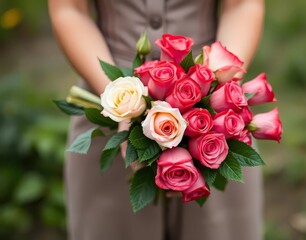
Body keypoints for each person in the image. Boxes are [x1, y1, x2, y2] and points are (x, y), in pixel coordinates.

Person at [48, 0, 265, 239]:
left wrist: (213, 86)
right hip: (105, 95)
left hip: (213, 112)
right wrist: (119, 100)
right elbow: (69, 9)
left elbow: (242, 5)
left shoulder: (213, 100)